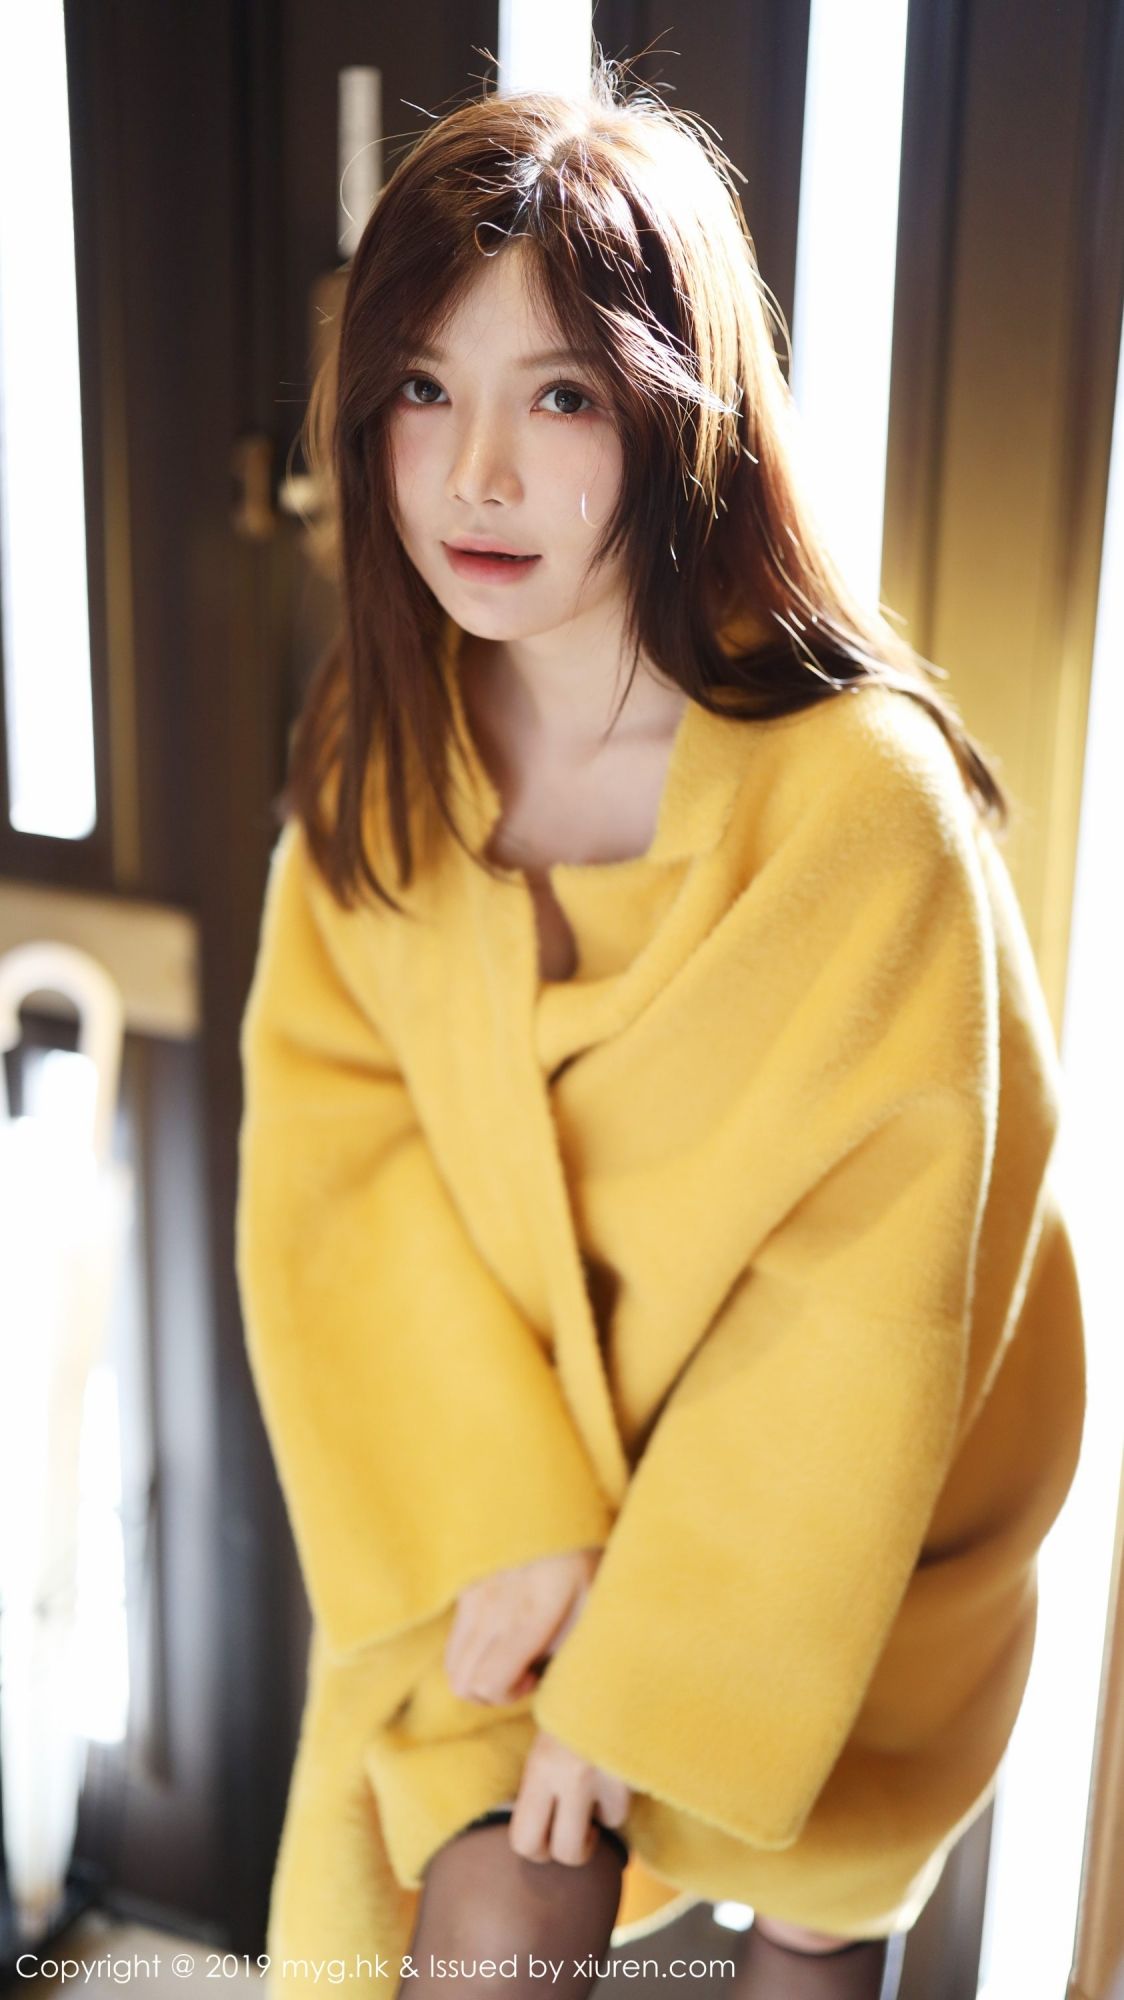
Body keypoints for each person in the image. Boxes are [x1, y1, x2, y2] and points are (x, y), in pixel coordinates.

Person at [235, 57, 1086, 2000]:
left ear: (678, 414)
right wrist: (514, 1517)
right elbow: (335, 1164)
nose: (476, 474)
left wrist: (663, 1656)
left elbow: (867, 1296)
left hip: (820, 1558)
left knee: (805, 1923)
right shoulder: (381, 751)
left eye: (560, 398)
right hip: (501, 1497)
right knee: (481, 1903)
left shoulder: (859, 803)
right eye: (422, 391)